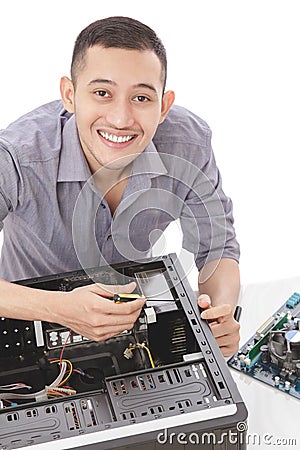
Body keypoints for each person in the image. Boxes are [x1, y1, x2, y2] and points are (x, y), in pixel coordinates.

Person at [0, 16, 240, 357]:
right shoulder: (16, 156)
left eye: (141, 98)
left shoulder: (190, 144)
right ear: (69, 95)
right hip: (29, 319)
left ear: (164, 106)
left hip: (130, 320)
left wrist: (221, 314)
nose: (121, 119)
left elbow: (219, 247)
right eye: (102, 93)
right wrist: (60, 308)